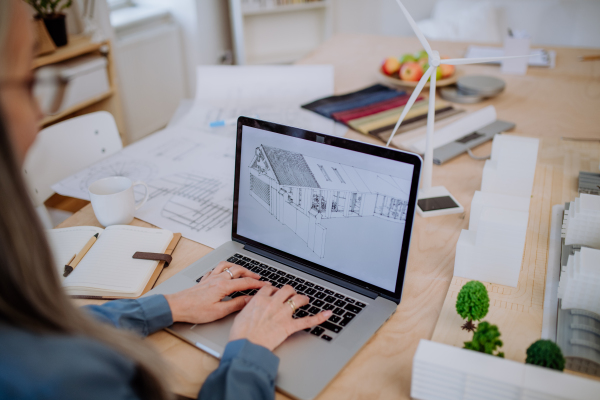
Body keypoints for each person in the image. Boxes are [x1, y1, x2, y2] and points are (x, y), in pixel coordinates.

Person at [0, 1, 331, 399]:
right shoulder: (58, 381)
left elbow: (52, 332)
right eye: (27, 81)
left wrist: (168, 306)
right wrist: (250, 351)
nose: (37, 113)